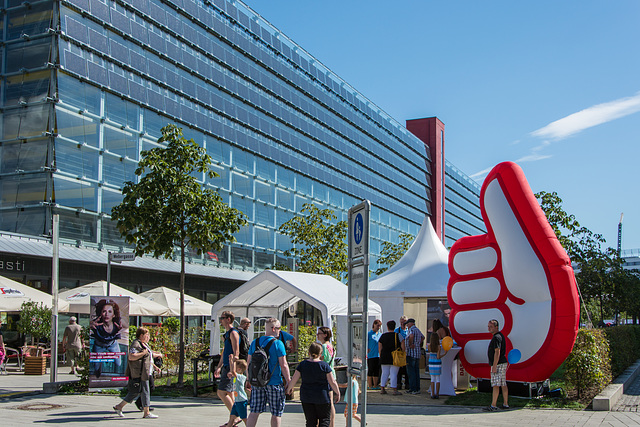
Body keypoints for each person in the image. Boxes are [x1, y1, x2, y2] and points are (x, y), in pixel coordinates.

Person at [246, 318, 291, 427]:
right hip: (274, 382)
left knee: (254, 411)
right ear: (274, 328)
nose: (280, 331)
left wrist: (249, 379)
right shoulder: (278, 344)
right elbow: (283, 365)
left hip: (258, 382)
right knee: (276, 413)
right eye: (279, 328)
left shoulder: (255, 342)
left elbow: (248, 364)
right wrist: (289, 380)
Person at [286, 342, 340, 427]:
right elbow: (332, 381)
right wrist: (337, 392)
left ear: (309, 352)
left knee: (310, 421)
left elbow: (294, 379)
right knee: (324, 420)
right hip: (322, 397)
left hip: (306, 396)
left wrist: (289, 388)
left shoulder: (303, 364)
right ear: (321, 353)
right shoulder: (324, 365)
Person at [113, 326, 162, 419]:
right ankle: (146, 413)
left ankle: (119, 407)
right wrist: (143, 353)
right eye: (147, 335)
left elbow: (148, 358)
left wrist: (155, 367)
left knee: (135, 392)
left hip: (146, 372)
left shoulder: (144, 344)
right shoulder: (136, 344)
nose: (148, 337)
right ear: (141, 335)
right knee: (145, 392)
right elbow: (131, 357)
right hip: (140, 372)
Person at [90, 299, 126, 378]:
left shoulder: (117, 323)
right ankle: (98, 370)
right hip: (99, 345)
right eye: (104, 311)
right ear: (101, 313)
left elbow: (126, 326)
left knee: (118, 363)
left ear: (113, 315)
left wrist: (121, 329)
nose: (106, 314)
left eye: (109, 312)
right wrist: (91, 325)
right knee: (96, 366)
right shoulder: (96, 323)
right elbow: (89, 326)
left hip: (112, 344)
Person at [214, 311, 240, 412]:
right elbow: (224, 351)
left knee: (221, 392)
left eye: (222, 318)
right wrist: (219, 367)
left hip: (230, 367)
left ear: (228, 319)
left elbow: (236, 352)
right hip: (226, 365)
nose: (221, 320)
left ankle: (235, 415)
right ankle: (233, 419)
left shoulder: (233, 333)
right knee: (230, 393)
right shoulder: (226, 334)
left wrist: (232, 369)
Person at [484, 319, 509, 411]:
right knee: (503, 383)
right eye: (488, 326)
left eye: (491, 327)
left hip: (498, 364)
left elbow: (497, 351)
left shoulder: (496, 337)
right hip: (502, 363)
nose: (489, 328)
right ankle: (505, 403)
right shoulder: (500, 336)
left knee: (495, 384)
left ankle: (493, 405)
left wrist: (494, 366)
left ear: (496, 327)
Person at [316, 326, 336, 427]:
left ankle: (327, 423)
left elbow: (321, 360)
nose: (317, 335)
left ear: (325, 335)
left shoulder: (323, 346)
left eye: (319, 333)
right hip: (332, 373)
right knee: (330, 401)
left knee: (326, 402)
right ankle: (332, 423)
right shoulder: (331, 346)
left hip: (325, 374)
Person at [377, 320, 403, 396]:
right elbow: (403, 344)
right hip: (395, 357)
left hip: (384, 356)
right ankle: (394, 389)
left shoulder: (383, 336)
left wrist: (381, 355)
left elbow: (380, 346)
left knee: (384, 373)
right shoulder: (398, 335)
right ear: (394, 327)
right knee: (394, 373)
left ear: (387, 327)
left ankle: (382, 388)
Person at [225, 356, 249, 427]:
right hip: (237, 401)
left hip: (241, 401)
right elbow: (232, 371)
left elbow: (233, 371)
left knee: (244, 418)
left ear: (239, 369)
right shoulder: (236, 376)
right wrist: (230, 361)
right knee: (232, 417)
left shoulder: (241, 377)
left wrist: (233, 361)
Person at [404, 318, 424, 395]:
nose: (407, 325)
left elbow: (411, 336)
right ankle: (417, 388)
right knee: (416, 372)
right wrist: (418, 344)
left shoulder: (411, 330)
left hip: (411, 353)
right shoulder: (418, 330)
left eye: (407, 323)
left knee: (411, 372)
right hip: (417, 353)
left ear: (411, 323)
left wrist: (410, 344)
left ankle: (413, 388)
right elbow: (423, 337)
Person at [394, 316, 409, 390]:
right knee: (399, 369)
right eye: (402, 322)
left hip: (407, 352)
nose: (403, 323)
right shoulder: (397, 330)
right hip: (399, 352)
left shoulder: (409, 330)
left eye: (405, 321)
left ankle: (407, 384)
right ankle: (398, 383)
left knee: (407, 369)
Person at [428, 332, 444, 399]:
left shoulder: (429, 346)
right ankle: (437, 394)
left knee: (432, 379)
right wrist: (445, 354)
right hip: (437, 363)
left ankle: (432, 393)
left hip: (431, 362)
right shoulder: (438, 346)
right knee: (438, 379)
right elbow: (438, 356)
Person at [367, 319, 382, 390]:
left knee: (377, 370)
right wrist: (366, 349)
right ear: (374, 325)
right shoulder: (369, 334)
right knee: (371, 370)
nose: (378, 327)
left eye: (379, 326)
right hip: (371, 355)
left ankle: (375, 385)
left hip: (378, 355)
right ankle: (370, 385)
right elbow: (364, 342)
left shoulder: (380, 334)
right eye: (377, 325)